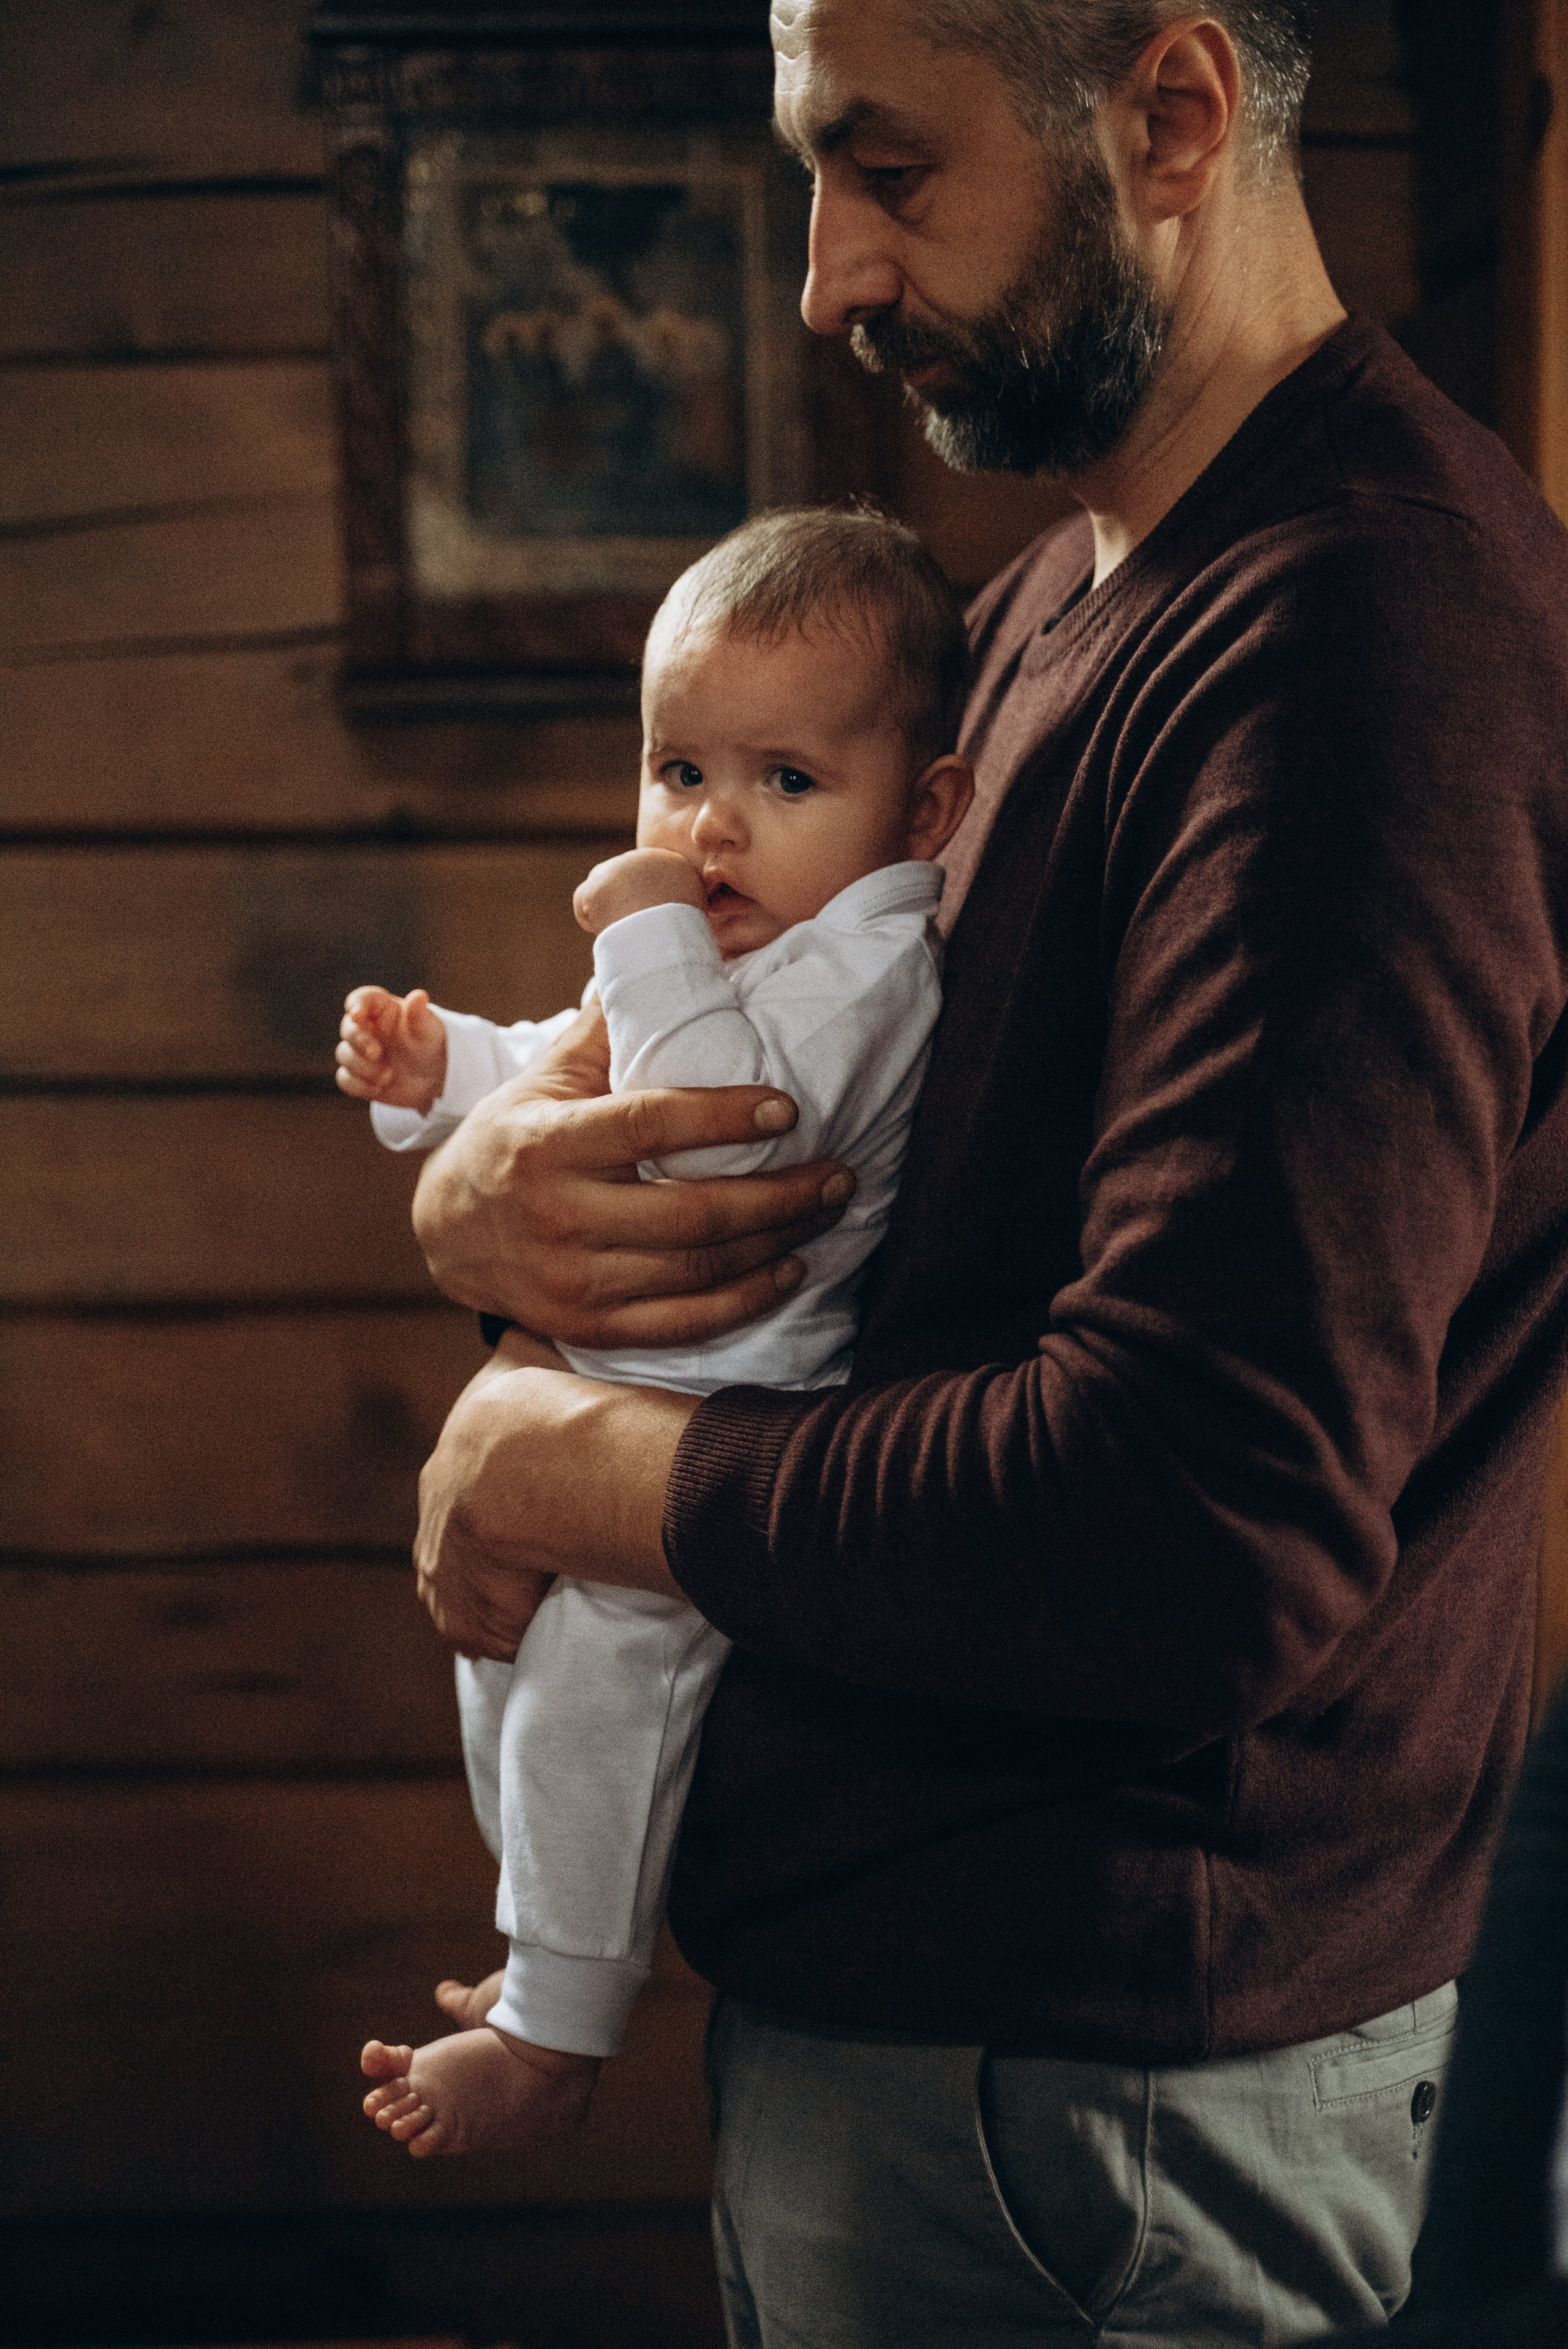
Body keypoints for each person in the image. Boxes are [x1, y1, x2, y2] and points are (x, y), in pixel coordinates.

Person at [399, 1, 1568, 2337]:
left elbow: (1192, 1520)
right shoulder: (1056, 601)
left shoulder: (1359, 643)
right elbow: (874, 1204)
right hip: (971, 2076)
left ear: (1171, 111)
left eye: (888, 171)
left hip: (1094, 2114)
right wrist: (489, 1200)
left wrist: (574, 1458)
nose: (829, 272)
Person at [334, 508, 974, 2157]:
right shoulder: (733, 946)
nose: (711, 831)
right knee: (514, 1680)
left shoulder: (872, 966)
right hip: (617, 1400)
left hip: (719, 1428)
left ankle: (561, 2025)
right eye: (679, 773)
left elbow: (705, 1119)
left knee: (594, 1693)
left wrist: (636, 915)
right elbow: (582, 1055)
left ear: (929, 809)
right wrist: (449, 1078)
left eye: (783, 782)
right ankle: (548, 1932)